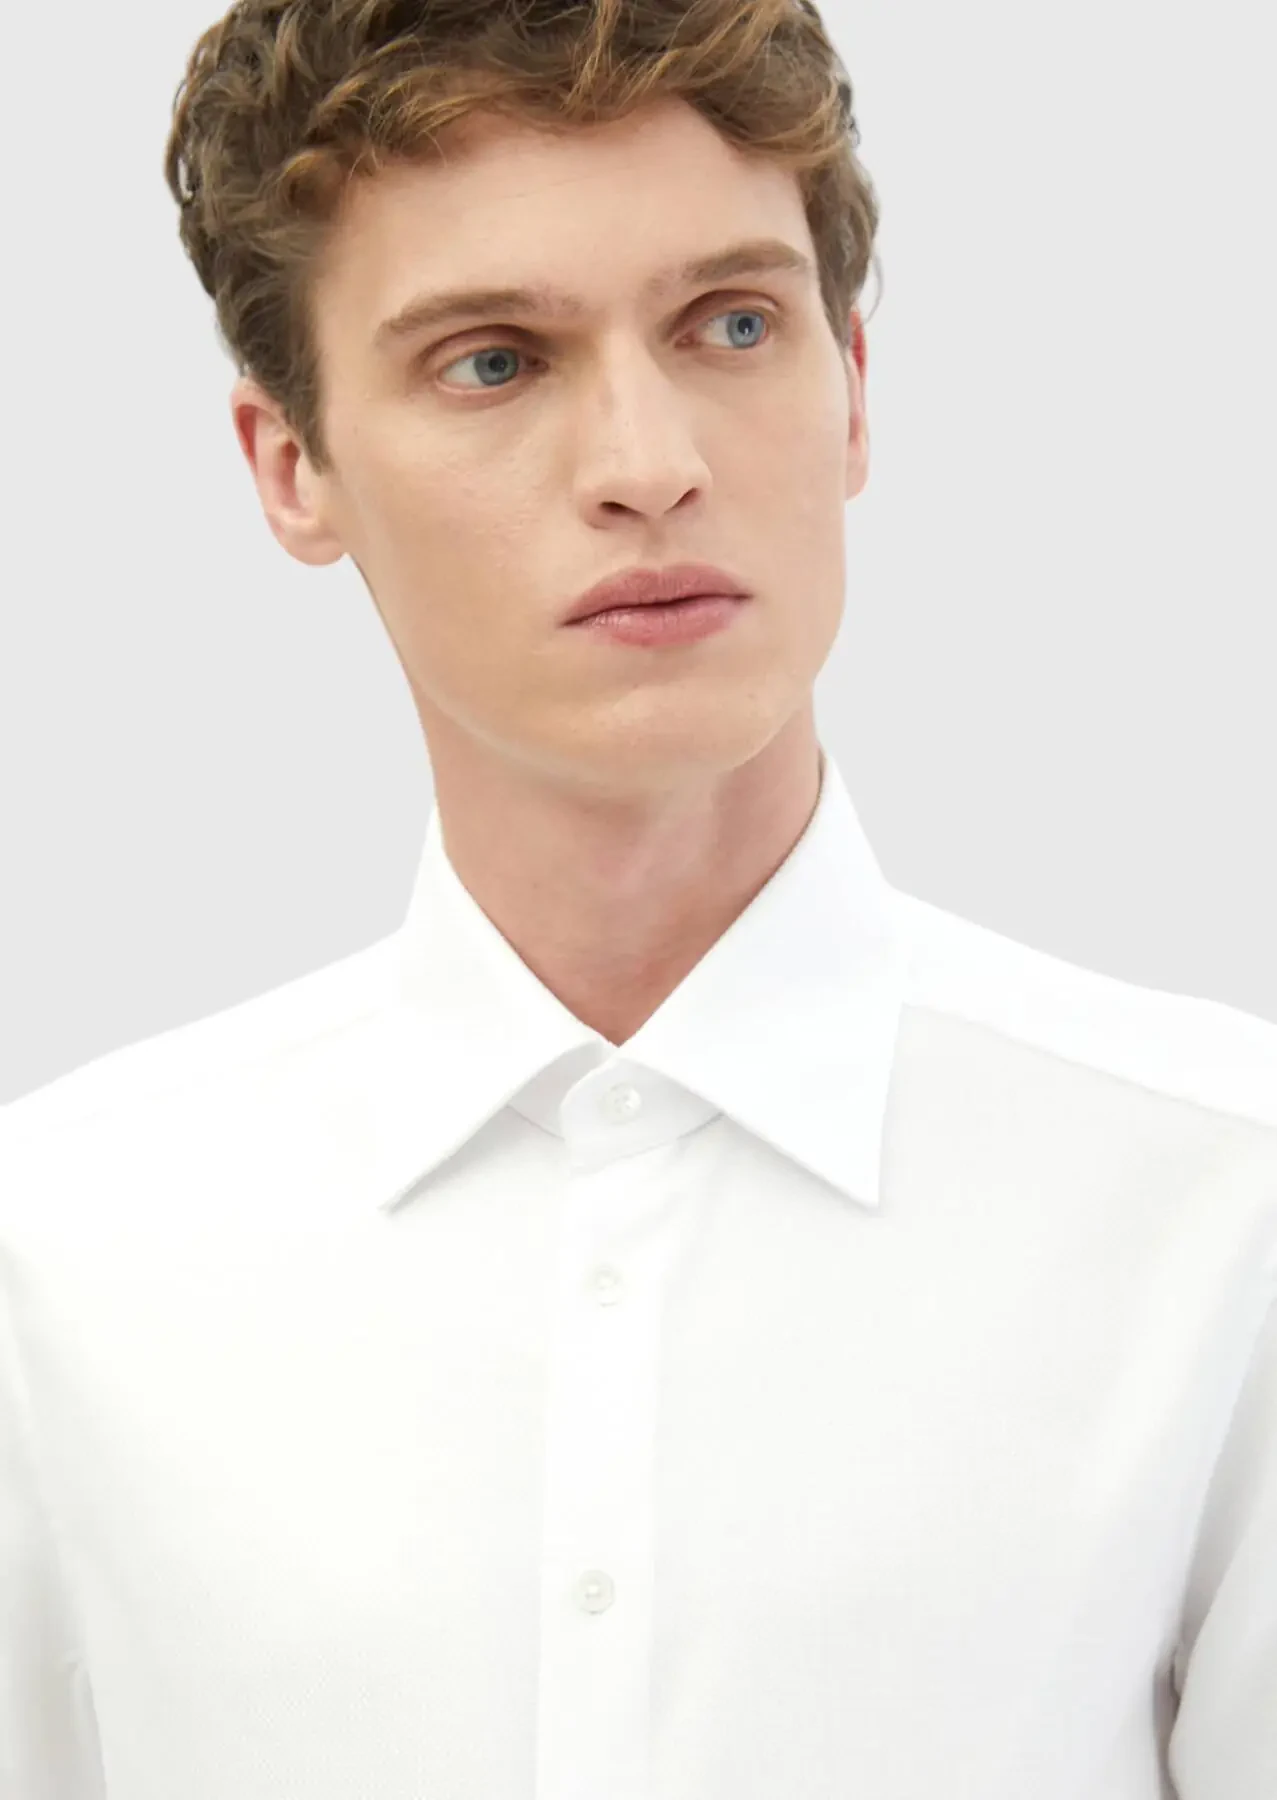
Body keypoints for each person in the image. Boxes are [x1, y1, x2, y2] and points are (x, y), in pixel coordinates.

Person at [2, 1, 1274, 1795]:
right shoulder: (61, 1256)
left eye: (732, 323)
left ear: (852, 387)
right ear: (293, 467)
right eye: (494, 362)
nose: (647, 460)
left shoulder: (1224, 1209)